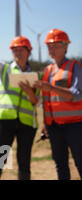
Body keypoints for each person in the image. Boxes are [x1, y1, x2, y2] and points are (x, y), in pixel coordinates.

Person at [0, 29, 39, 180]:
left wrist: (29, 92)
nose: (18, 53)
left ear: (29, 52)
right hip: (6, 122)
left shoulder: (36, 75)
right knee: (0, 159)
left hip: (27, 124)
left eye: (21, 50)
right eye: (15, 50)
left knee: (24, 161)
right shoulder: (4, 69)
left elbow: (36, 102)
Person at [32, 29, 82, 180]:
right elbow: (46, 101)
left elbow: (78, 94)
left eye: (55, 46)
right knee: (60, 164)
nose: (51, 50)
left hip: (74, 126)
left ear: (66, 47)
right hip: (53, 127)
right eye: (49, 47)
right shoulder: (47, 70)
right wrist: (44, 123)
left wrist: (52, 88)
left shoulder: (74, 67)